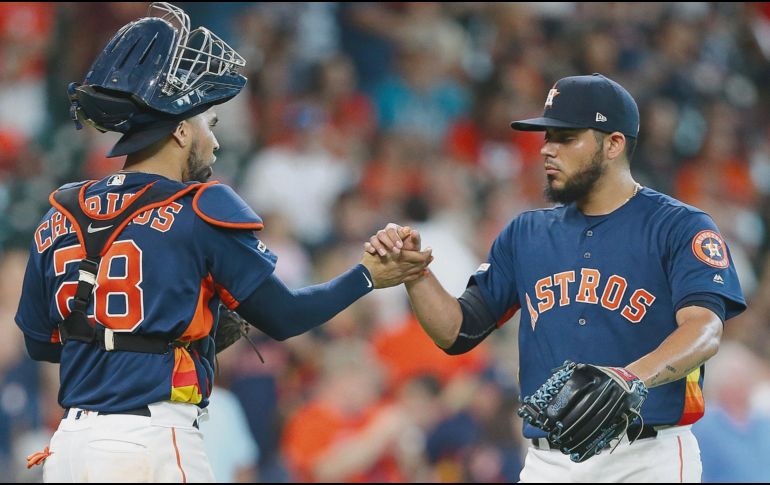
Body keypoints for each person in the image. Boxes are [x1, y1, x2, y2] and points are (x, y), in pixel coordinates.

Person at [14, 3, 431, 483]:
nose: (215, 143)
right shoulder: (202, 208)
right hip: (152, 441)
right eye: (210, 125)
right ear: (181, 129)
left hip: (70, 447)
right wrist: (366, 277)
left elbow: (41, 344)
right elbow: (286, 317)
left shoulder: (60, 212)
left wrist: (129, 338)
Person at [366, 73, 747, 483]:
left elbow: (705, 329)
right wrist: (416, 275)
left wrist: (630, 376)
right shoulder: (525, 233)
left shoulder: (679, 226)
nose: (547, 150)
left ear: (614, 144)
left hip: (646, 454)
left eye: (566, 138)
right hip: (549, 461)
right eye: (547, 137)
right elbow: (457, 332)